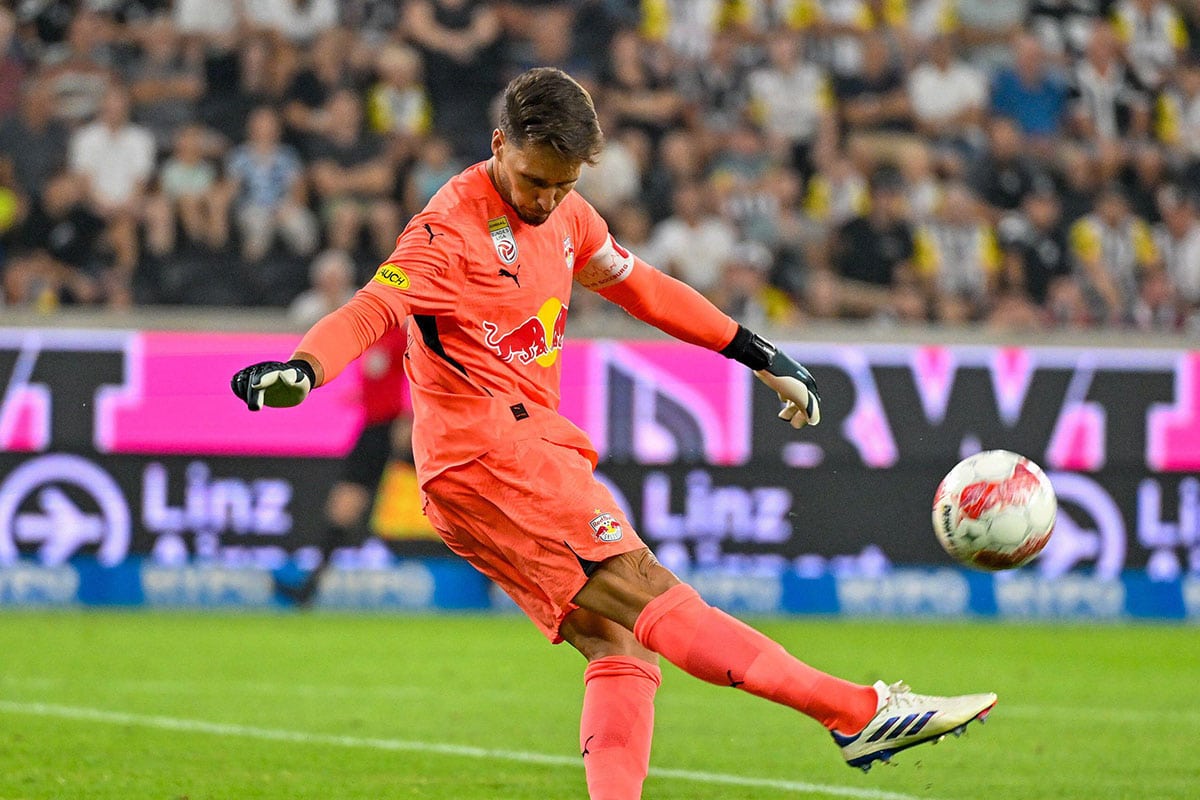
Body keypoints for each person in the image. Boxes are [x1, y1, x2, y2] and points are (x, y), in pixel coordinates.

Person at [231, 67, 996, 798]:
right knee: (649, 590)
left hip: (501, 459)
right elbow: (373, 308)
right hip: (495, 455)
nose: (547, 200)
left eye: (565, 184)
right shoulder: (448, 230)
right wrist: (302, 369)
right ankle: (855, 712)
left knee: (618, 642)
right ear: (499, 145)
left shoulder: (567, 213)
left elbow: (641, 286)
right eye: (535, 181)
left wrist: (755, 352)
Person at [275, 324, 413, 607]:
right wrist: (363, 398)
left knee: (345, 508)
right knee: (344, 508)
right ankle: (309, 587)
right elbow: (383, 382)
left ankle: (309, 588)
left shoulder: (402, 337)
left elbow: (420, 376)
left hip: (387, 429)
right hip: (374, 428)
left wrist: (409, 416)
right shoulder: (378, 336)